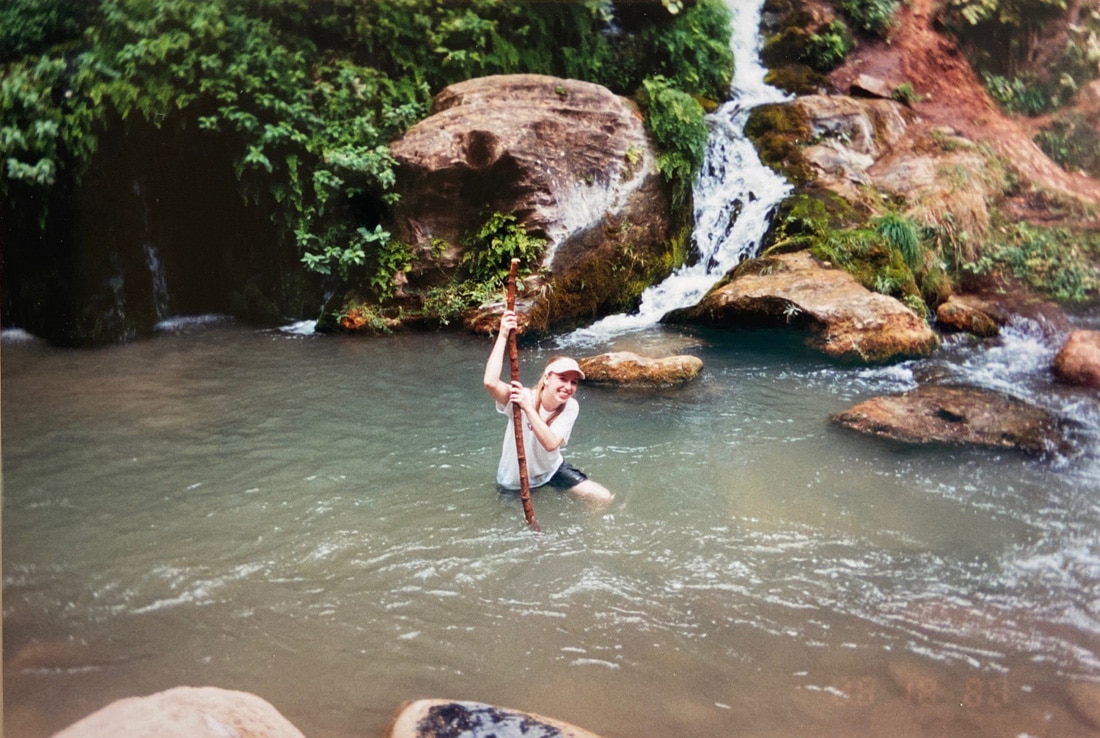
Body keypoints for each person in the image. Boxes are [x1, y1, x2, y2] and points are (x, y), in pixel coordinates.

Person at [483, 309, 613, 506]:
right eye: (562, 379)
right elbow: (490, 383)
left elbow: (551, 443)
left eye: (574, 382)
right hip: (515, 481)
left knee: (603, 498)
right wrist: (502, 334)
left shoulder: (570, 407)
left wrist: (527, 408)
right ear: (547, 378)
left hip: (552, 471)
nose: (568, 387)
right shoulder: (522, 397)